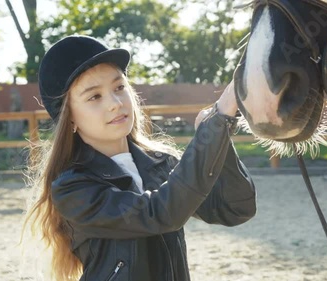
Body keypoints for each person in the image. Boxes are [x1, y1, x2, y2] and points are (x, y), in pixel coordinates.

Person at [20, 35, 256, 281]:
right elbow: (159, 213)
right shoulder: (73, 188)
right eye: (94, 97)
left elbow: (235, 209)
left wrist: (220, 136)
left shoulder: (160, 163)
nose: (115, 103)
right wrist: (216, 124)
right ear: (69, 118)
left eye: (119, 87)